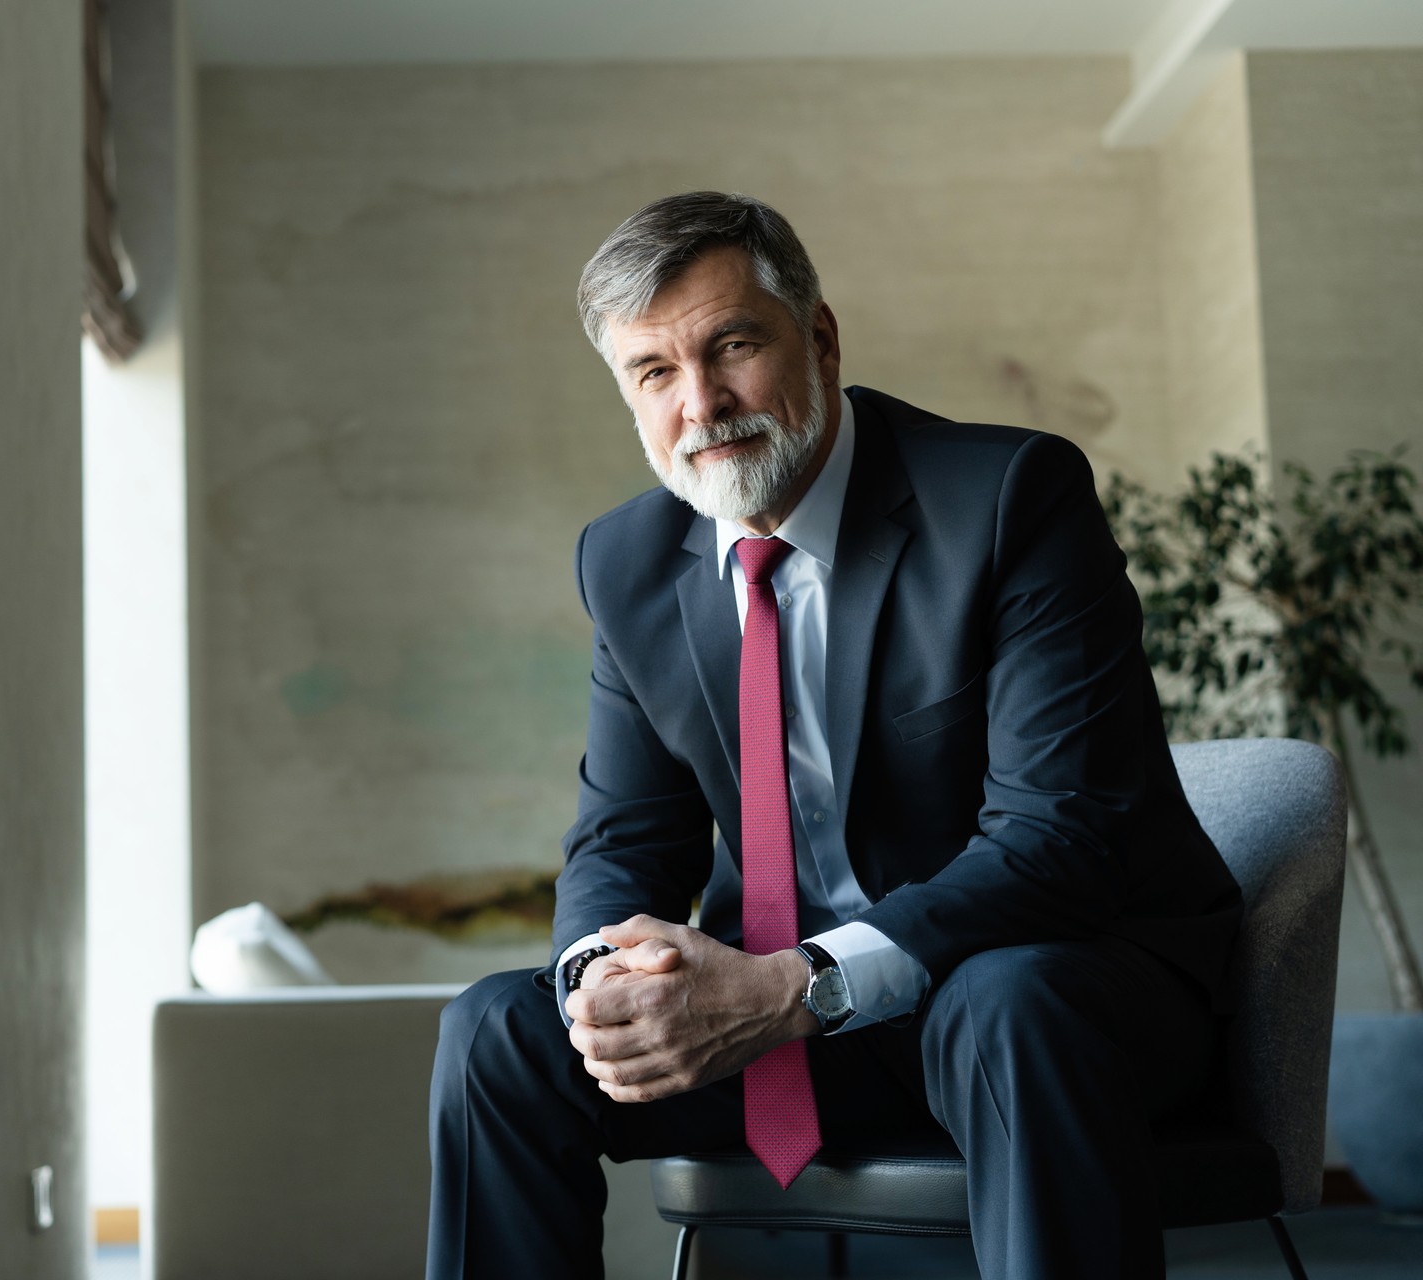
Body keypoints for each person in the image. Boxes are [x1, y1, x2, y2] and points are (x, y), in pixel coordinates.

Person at [425, 191, 1243, 1280]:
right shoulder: (627, 561)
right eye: (655, 374)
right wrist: (608, 985)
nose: (703, 404)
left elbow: (1062, 838)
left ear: (819, 337)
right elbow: (625, 838)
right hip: (788, 1018)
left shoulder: (1007, 499)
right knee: (501, 1031)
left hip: (1052, 993)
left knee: (1009, 1002)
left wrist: (793, 986)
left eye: (734, 345)